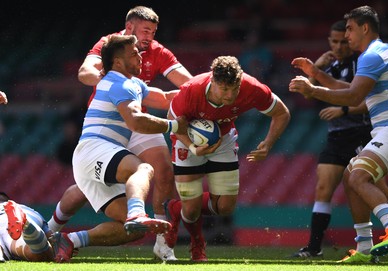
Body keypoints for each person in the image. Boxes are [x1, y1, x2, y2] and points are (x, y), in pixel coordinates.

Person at [48, 6, 192, 261]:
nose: (142, 55)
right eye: (144, 34)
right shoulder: (115, 64)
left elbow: (170, 95)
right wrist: (174, 126)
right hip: (106, 138)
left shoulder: (136, 78)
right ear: (129, 29)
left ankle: (69, 239)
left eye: (153, 32)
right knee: (143, 170)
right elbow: (134, 119)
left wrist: (208, 93)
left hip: (122, 133)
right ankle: (136, 213)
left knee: (133, 222)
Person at [289, 5, 388, 262]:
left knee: (360, 176)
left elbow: (353, 96)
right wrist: (316, 75)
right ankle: (364, 249)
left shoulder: (372, 55)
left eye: (350, 29)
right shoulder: (379, 52)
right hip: (387, 128)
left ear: (365, 28)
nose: (347, 35)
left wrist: (313, 90)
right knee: (351, 176)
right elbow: (351, 86)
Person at [165, 56, 290, 261]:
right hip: (187, 140)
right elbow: (172, 121)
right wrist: (193, 147)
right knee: (192, 210)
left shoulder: (251, 87)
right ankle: (197, 244)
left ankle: (175, 207)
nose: (230, 95)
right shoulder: (191, 90)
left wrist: (268, 143)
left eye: (234, 88)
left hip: (223, 140)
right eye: (224, 90)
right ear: (212, 81)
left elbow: (282, 113)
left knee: (225, 207)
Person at [0, 192, 57, 262]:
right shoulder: (22, 207)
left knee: (34, 254)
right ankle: (27, 225)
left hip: (5, 218)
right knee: (47, 253)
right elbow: (52, 239)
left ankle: (28, 229)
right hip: (28, 213)